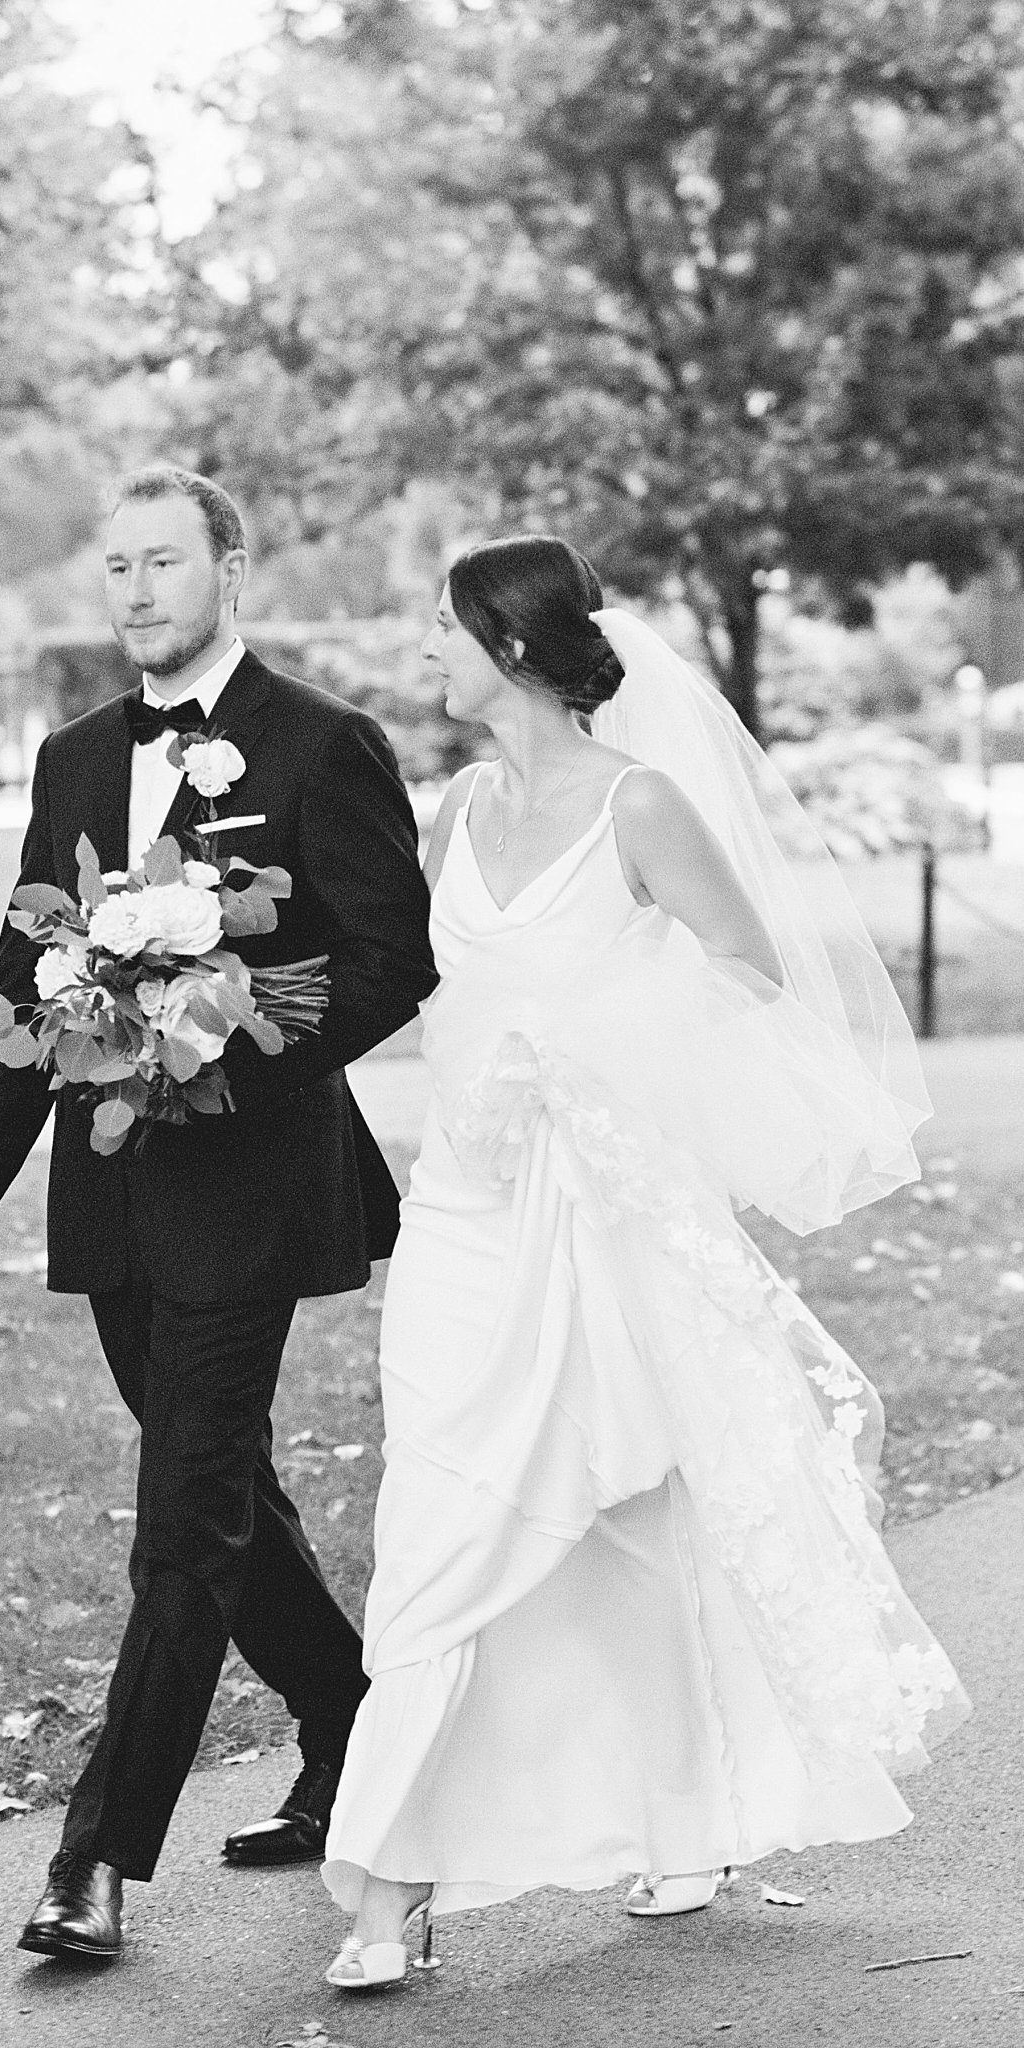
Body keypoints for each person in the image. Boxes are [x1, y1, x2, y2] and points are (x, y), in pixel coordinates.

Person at [320, 535, 970, 1991]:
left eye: (441, 627)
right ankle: (392, 1878)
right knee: (434, 1526)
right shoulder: (449, 811)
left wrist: (595, 1066)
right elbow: (417, 990)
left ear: (515, 646)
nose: (422, 648)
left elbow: (751, 979)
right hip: (463, 1222)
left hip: (602, 1214)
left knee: (627, 1511)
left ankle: (664, 1816)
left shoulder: (642, 804)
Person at [0, 466, 437, 1965]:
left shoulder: (324, 742)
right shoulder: (76, 755)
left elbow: (390, 958)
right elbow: (28, 976)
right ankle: (350, 1736)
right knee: (218, 1492)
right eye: (114, 568)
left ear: (230, 567)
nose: (135, 590)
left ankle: (93, 1862)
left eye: (162, 561)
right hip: (110, 1192)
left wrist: (227, 1034)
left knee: (182, 1521)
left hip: (254, 1184)